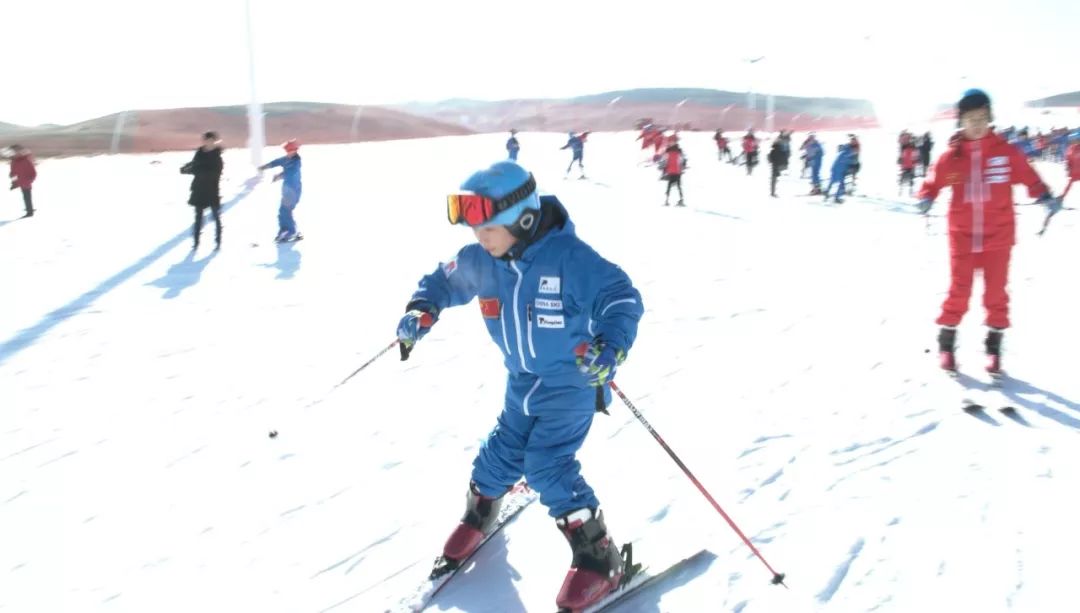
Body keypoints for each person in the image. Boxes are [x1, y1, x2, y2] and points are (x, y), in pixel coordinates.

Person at [396, 160, 644, 611]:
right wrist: (422, 308)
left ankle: (599, 558)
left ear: (523, 219)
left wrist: (611, 347)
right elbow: (444, 279)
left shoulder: (569, 260)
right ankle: (480, 512)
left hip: (571, 383)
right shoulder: (483, 260)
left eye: (488, 228)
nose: (479, 238)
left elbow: (621, 297)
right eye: (475, 228)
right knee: (497, 458)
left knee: (546, 465)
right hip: (522, 382)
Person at [916, 89, 1061, 375]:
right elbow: (933, 182)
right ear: (962, 121)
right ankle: (946, 345)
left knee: (996, 294)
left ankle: (993, 350)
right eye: (971, 118)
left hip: (999, 236)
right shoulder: (951, 157)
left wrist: (1044, 195)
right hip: (962, 237)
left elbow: (1029, 177)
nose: (977, 123)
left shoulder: (1006, 153)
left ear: (990, 118)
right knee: (959, 291)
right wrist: (926, 196)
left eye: (982, 117)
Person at [180, 131, 224, 249]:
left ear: (214, 142)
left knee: (215, 217)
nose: (208, 143)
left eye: (211, 141)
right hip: (198, 190)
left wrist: (196, 171)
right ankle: (196, 242)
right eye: (206, 140)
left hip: (212, 190)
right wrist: (186, 169)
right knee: (198, 217)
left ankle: (218, 241)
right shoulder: (199, 154)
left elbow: (214, 173)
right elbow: (193, 166)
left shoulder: (217, 157)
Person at [259, 139, 303, 242]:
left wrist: (279, 175)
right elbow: (276, 162)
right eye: (286, 151)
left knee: (285, 211)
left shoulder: (296, 162)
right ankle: (286, 230)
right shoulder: (286, 159)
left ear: (295, 151)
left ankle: (291, 231)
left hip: (294, 191)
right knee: (283, 211)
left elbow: (290, 172)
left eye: (289, 150)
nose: (287, 153)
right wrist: (265, 167)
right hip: (287, 191)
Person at [8, 144, 36, 217]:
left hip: (26, 182)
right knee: (25, 196)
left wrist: (29, 181)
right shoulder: (13, 161)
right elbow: (13, 173)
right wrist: (14, 183)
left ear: (19, 151)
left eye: (15, 151)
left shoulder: (26, 160)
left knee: (27, 196)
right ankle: (29, 209)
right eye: (12, 151)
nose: (13, 153)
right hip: (21, 181)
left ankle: (30, 212)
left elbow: (33, 173)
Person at [659, 141, 687, 206]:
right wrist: (683, 167)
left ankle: (666, 200)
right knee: (679, 186)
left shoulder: (667, 154)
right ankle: (681, 200)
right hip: (678, 172)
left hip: (670, 172)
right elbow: (683, 161)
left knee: (669, 186)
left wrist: (662, 168)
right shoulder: (679, 153)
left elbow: (664, 162)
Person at [1063, 137, 1080, 201]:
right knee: (1069, 184)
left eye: (1077, 140)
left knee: (1069, 184)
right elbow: (1068, 159)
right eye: (1074, 140)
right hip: (1075, 172)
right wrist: (1067, 167)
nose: (1075, 141)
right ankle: (1062, 197)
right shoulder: (1070, 149)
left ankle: (1062, 196)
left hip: (1076, 171)